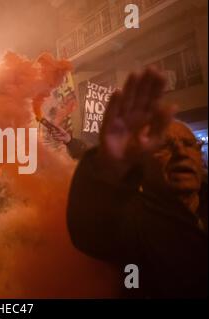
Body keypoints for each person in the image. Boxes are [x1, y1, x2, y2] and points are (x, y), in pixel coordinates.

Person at [67, 68, 207, 298]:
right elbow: (90, 229)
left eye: (190, 144)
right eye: (165, 146)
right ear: (141, 163)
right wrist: (109, 162)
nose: (181, 153)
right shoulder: (130, 223)